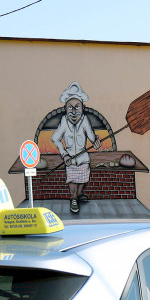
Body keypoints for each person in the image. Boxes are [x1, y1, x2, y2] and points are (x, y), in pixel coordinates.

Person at [50, 83, 98, 214]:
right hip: (70, 158)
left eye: (77, 107)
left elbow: (92, 137)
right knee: (72, 179)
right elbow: (55, 138)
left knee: (83, 178)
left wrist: (96, 142)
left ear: (83, 107)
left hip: (83, 158)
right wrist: (64, 154)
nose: (74, 111)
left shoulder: (85, 120)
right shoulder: (64, 121)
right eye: (70, 108)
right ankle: (73, 198)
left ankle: (79, 193)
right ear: (65, 108)